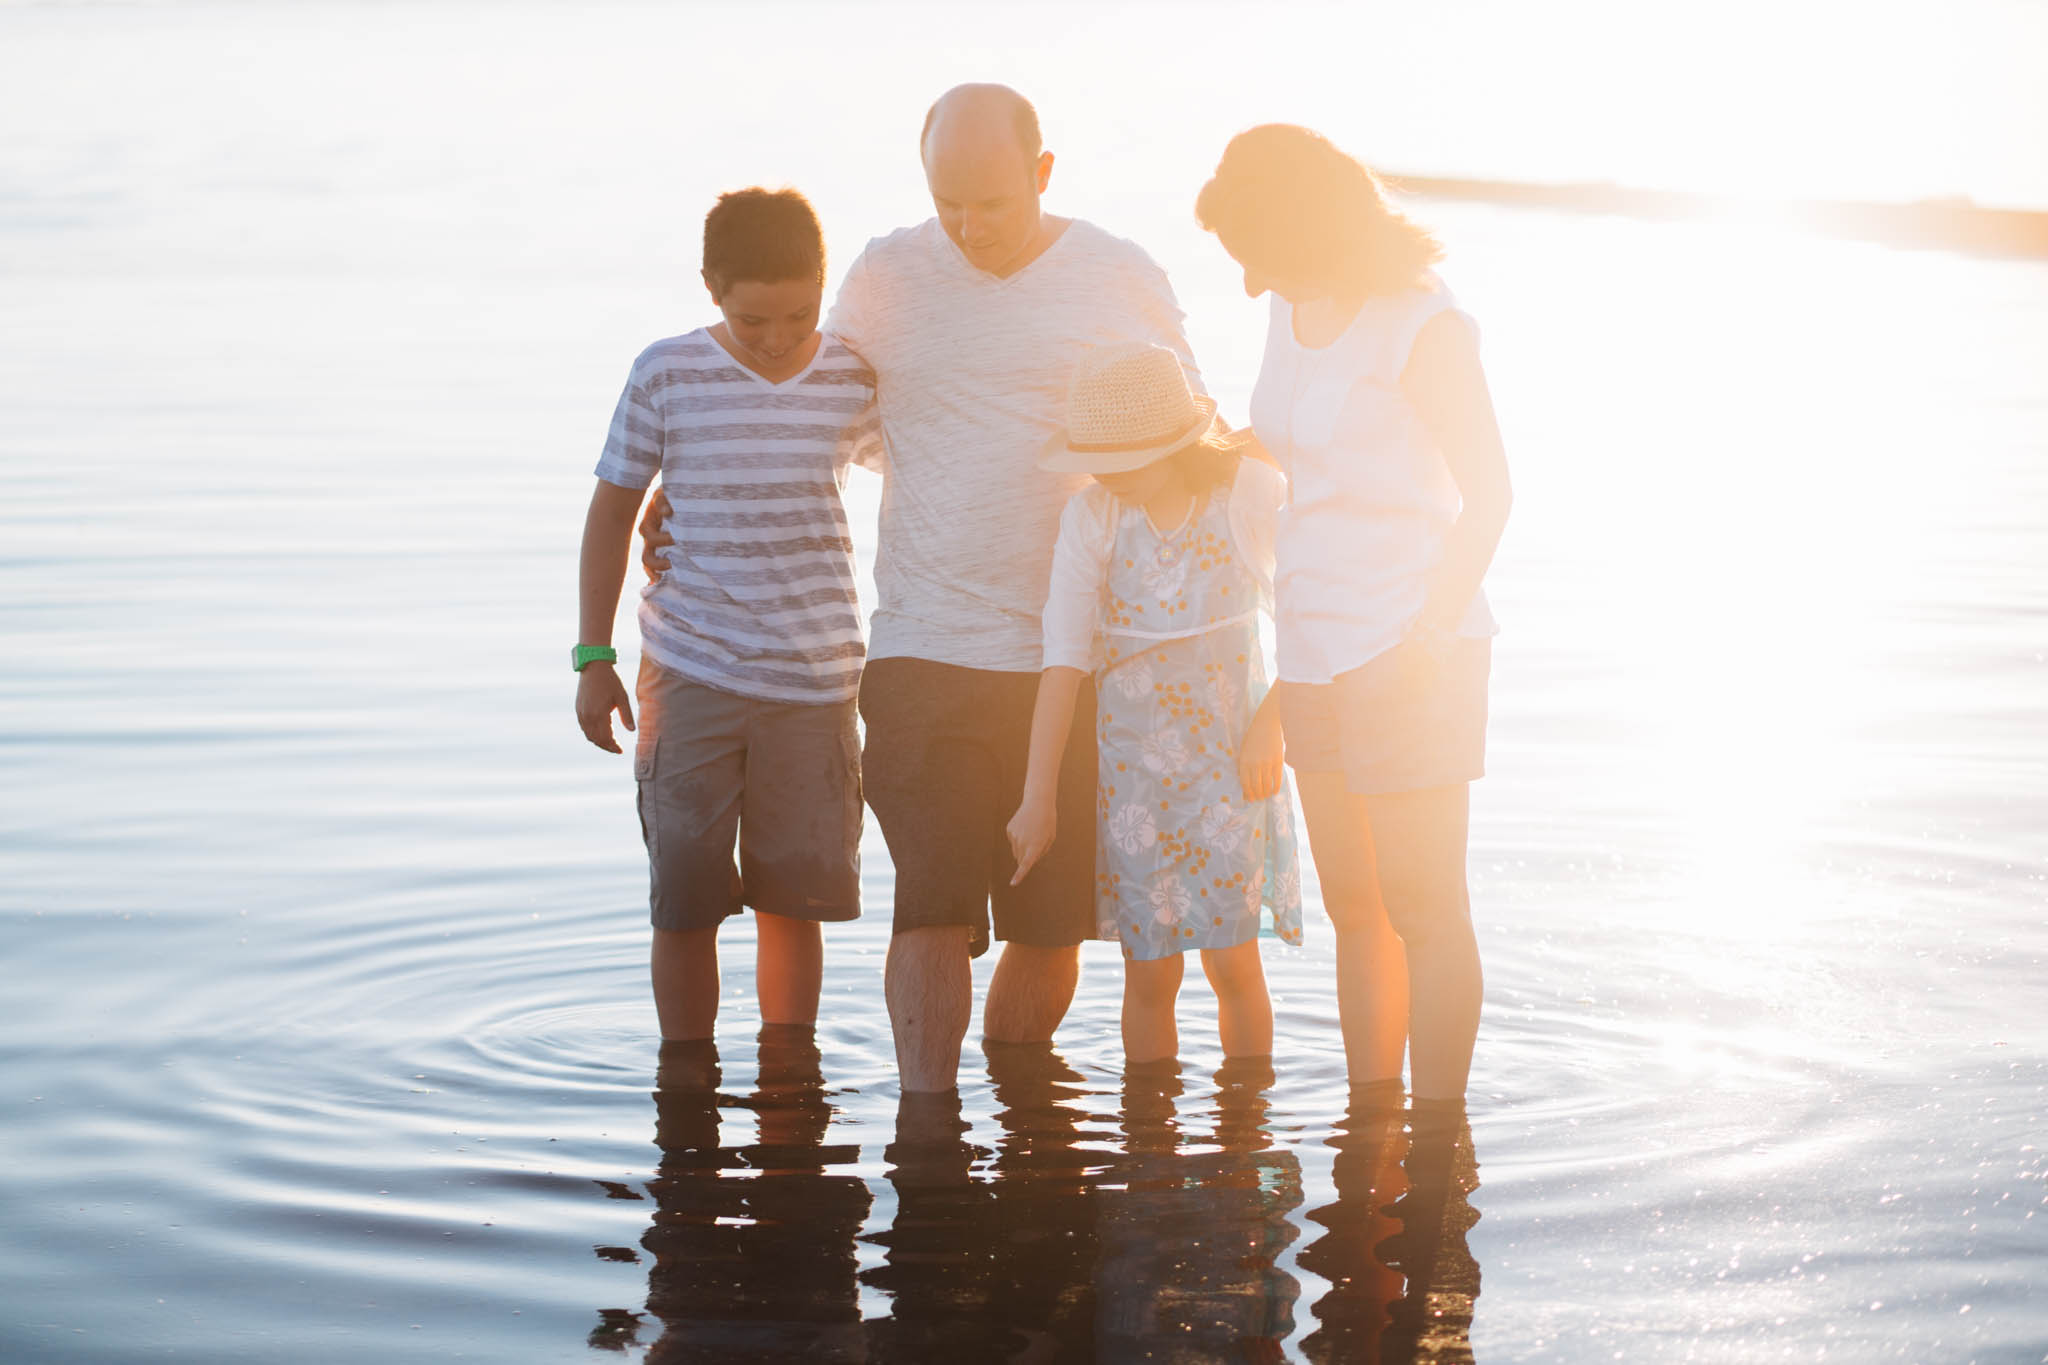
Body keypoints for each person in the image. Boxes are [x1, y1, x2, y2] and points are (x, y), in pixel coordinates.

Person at [641, 85, 1201, 1092]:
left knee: (1049, 929)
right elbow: (815, 409)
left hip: (1077, 659)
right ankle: (927, 1133)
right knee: (931, 908)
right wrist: (688, 495)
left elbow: (1180, 441)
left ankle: (1023, 1141)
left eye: (991, 201)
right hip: (923, 648)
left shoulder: (1119, 275)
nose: (968, 226)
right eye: (948, 202)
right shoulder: (886, 273)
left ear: (1042, 172)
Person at [1195, 124, 1512, 1110]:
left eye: (1255, 255)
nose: (1247, 284)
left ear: (1308, 226)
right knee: (1356, 908)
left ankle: (1435, 1135)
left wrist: (1424, 639)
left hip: (1408, 645)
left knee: (1423, 908)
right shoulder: (1291, 301)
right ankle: (1370, 1119)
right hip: (1312, 644)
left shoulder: (1422, 323)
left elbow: (1490, 495)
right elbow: (1306, 449)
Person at [574, 187, 878, 1043]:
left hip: (816, 683)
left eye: (799, 314)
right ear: (711, 287)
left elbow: (934, 473)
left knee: (796, 900)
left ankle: (791, 1078)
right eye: (753, 322)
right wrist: (592, 655)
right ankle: (686, 1073)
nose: (778, 339)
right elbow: (610, 512)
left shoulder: (854, 376)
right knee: (685, 901)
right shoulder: (666, 373)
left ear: (824, 283)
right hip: (690, 671)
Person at [1007, 342, 1302, 1066]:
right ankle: (1149, 1147)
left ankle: (1247, 1126)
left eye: (1123, 456)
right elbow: (1064, 663)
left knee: (1234, 962)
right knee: (1150, 972)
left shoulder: (1247, 494)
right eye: (1097, 456)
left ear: (1173, 441)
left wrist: (1274, 725)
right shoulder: (1095, 517)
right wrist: (1036, 797)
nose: (1107, 472)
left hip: (1235, 762)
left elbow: (1310, 612)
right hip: (1136, 781)